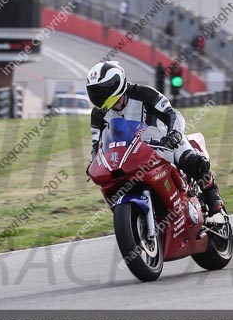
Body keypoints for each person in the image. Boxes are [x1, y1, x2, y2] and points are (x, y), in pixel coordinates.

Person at [86, 61, 225, 217]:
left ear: (115, 85)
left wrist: (174, 135)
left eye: (101, 92)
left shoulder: (144, 93)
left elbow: (172, 114)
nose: (98, 97)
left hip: (163, 143)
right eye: (94, 93)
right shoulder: (97, 115)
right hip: (129, 156)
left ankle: (212, 193)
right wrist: (93, 163)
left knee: (191, 161)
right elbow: (96, 145)